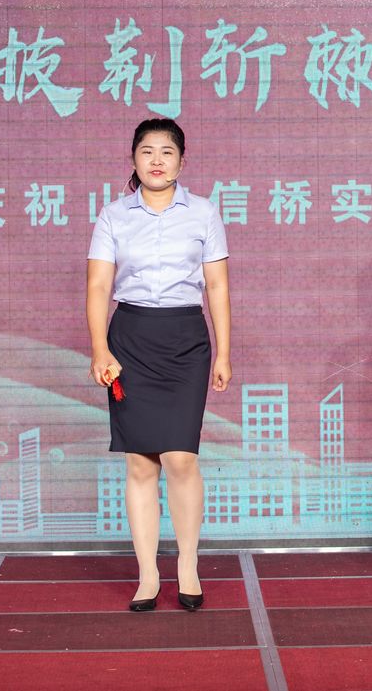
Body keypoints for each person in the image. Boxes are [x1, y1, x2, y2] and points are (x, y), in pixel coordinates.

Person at [86, 118, 231, 612]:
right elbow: (99, 287)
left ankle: (187, 564)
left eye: (167, 152)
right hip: (130, 339)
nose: (156, 160)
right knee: (140, 461)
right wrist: (100, 349)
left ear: (181, 162)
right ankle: (148, 574)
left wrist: (225, 351)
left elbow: (217, 287)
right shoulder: (113, 215)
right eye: (146, 151)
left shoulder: (204, 212)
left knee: (181, 458)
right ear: (133, 159)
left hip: (185, 340)